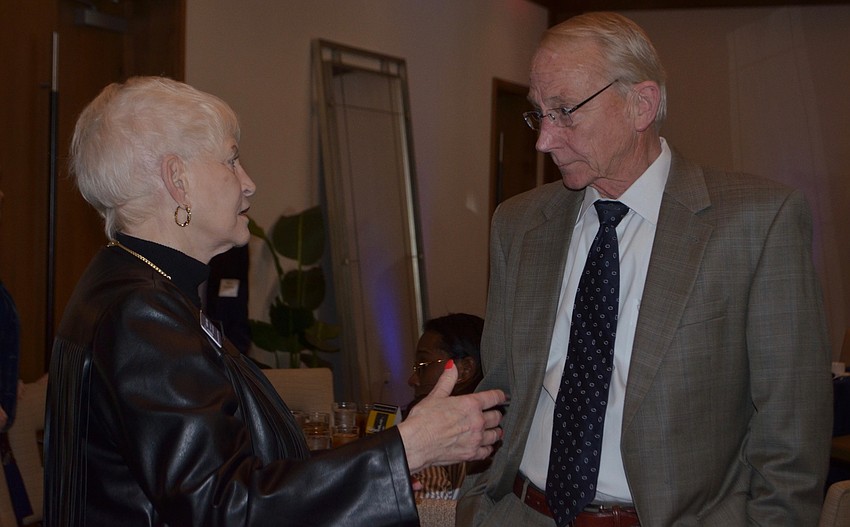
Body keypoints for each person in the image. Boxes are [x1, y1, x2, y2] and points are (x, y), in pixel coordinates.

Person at [43, 76, 506, 527]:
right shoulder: (142, 311)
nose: (248, 183)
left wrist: (375, 474)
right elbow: (221, 507)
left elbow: (232, 472)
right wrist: (408, 448)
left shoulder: (132, 286)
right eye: (231, 160)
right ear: (177, 180)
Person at [457, 12, 832, 527]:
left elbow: (792, 435)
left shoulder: (756, 224)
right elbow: (499, 391)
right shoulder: (518, 224)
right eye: (538, 113)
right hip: (521, 512)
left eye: (564, 111)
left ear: (641, 104)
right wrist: (479, 506)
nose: (544, 140)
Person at [405, 313, 485, 499]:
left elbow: (429, 514)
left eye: (423, 365)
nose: (412, 380)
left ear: (464, 369)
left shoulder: (439, 434)